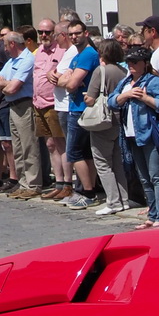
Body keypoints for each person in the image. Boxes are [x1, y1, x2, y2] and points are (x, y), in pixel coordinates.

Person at [113, 45, 159, 227]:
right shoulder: (126, 82)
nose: (131, 65)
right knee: (144, 178)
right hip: (131, 136)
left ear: (145, 63)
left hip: (150, 134)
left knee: (157, 176)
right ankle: (153, 214)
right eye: (128, 62)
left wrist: (145, 98)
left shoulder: (153, 82)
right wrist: (126, 95)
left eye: (135, 62)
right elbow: (112, 101)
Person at [84, 38, 135, 216]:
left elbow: (91, 99)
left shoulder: (101, 71)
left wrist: (86, 97)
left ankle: (113, 201)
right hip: (120, 120)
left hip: (103, 122)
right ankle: (124, 199)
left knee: (102, 163)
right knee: (117, 162)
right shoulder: (124, 71)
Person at [0, 30, 42, 199]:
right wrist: (9, 84)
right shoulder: (12, 61)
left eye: (5, 45)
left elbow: (13, 88)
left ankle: (33, 183)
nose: (4, 49)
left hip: (24, 105)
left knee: (29, 146)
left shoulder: (27, 59)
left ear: (12, 44)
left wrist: (7, 85)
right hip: (12, 105)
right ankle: (23, 182)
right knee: (18, 147)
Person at [58, 20, 101, 208]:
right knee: (83, 153)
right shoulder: (78, 54)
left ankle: (88, 192)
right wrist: (66, 80)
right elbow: (61, 80)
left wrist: (67, 80)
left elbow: (71, 84)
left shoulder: (88, 54)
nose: (74, 37)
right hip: (76, 108)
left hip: (81, 109)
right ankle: (86, 189)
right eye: (71, 34)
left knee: (75, 153)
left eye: (77, 33)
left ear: (86, 33)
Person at [32, 19, 70, 195]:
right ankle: (59, 182)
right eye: (41, 32)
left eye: (47, 32)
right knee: (50, 144)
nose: (44, 35)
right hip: (38, 103)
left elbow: (62, 74)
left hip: (54, 103)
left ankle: (67, 184)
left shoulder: (62, 51)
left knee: (61, 143)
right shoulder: (39, 50)